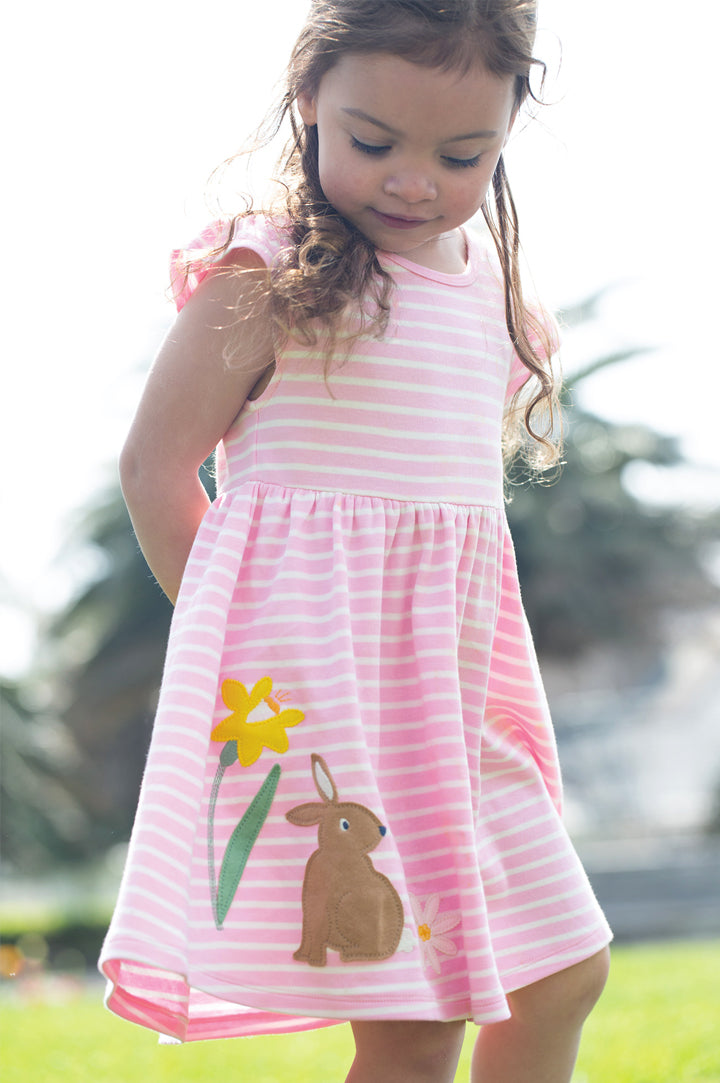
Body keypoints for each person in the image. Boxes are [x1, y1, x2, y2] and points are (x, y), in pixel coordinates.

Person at [99, 1, 612, 1080]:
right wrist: (239, 660)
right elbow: (155, 468)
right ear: (310, 108)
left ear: (508, 133)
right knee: (416, 1023)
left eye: (461, 153)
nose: (413, 180)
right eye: (373, 142)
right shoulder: (266, 274)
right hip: (329, 699)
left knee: (563, 970)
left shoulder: (486, 290)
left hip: (458, 702)